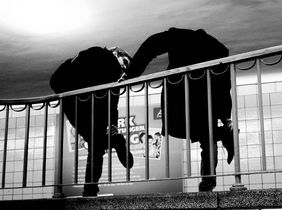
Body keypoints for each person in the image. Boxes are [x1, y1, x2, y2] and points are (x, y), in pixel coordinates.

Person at [126, 28, 235, 192]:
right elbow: (223, 85)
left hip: (179, 95)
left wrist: (131, 74)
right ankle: (208, 182)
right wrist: (225, 115)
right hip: (206, 99)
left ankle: (221, 140)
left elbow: (151, 45)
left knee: (176, 129)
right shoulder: (218, 48)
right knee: (208, 138)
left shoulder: (178, 36)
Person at [50, 46, 134, 197]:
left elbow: (113, 101)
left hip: (77, 105)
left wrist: (113, 124)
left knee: (95, 145)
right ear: (117, 54)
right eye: (124, 63)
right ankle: (116, 142)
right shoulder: (107, 60)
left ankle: (90, 188)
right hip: (83, 105)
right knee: (96, 144)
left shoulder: (99, 64)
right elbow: (112, 99)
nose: (124, 69)